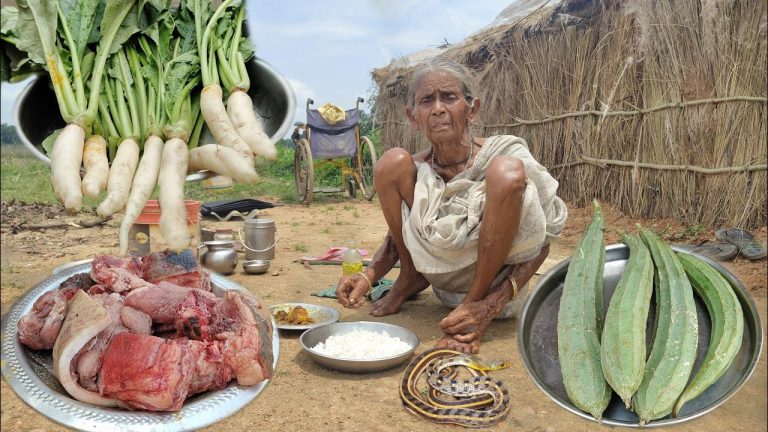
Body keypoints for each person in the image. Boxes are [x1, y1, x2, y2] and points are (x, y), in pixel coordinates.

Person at [335, 58, 567, 354]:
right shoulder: (417, 170)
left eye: (449, 97)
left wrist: (490, 304)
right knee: (391, 161)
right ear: (413, 116)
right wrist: (368, 276)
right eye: (426, 101)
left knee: (506, 172)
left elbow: (542, 239)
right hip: (442, 282)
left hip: (496, 287)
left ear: (472, 109)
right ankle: (409, 276)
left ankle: (472, 307)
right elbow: (398, 235)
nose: (438, 108)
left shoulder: (503, 154)